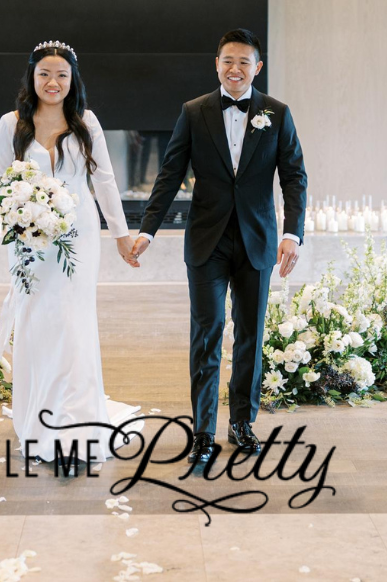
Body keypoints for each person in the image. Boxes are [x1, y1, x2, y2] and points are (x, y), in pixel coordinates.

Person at [130, 29, 307, 462]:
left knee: (250, 335)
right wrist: (147, 229)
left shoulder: (277, 114)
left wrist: (291, 233)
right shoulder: (194, 112)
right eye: (228, 60)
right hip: (207, 241)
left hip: (259, 241)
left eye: (244, 62)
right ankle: (203, 432)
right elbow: (170, 174)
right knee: (206, 336)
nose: (235, 69)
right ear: (216, 64)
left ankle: (242, 423)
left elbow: (294, 177)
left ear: (257, 67)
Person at [0, 40, 139, 463]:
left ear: (72, 81)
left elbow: (105, 182)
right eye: (44, 74)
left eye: (62, 76)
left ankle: (75, 419)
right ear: (31, 78)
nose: (52, 82)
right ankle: (37, 419)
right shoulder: (10, 124)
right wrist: (20, 216)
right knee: (36, 320)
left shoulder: (85, 121)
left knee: (73, 321)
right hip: (28, 240)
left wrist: (121, 235)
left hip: (79, 236)